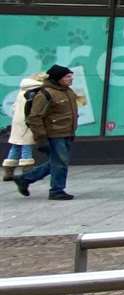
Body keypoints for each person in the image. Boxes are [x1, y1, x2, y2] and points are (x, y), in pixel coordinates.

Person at [16, 64, 81, 200]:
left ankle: (25, 179)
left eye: (71, 76)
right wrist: (41, 138)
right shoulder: (45, 94)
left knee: (57, 162)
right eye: (67, 77)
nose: (71, 79)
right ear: (58, 78)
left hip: (67, 132)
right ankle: (57, 190)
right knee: (60, 162)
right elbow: (35, 117)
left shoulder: (68, 91)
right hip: (54, 134)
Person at [3, 70, 45, 183]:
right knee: (27, 145)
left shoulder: (22, 90)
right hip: (27, 121)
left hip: (17, 121)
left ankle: (8, 171)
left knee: (16, 145)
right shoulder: (37, 91)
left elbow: (14, 107)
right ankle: (27, 171)